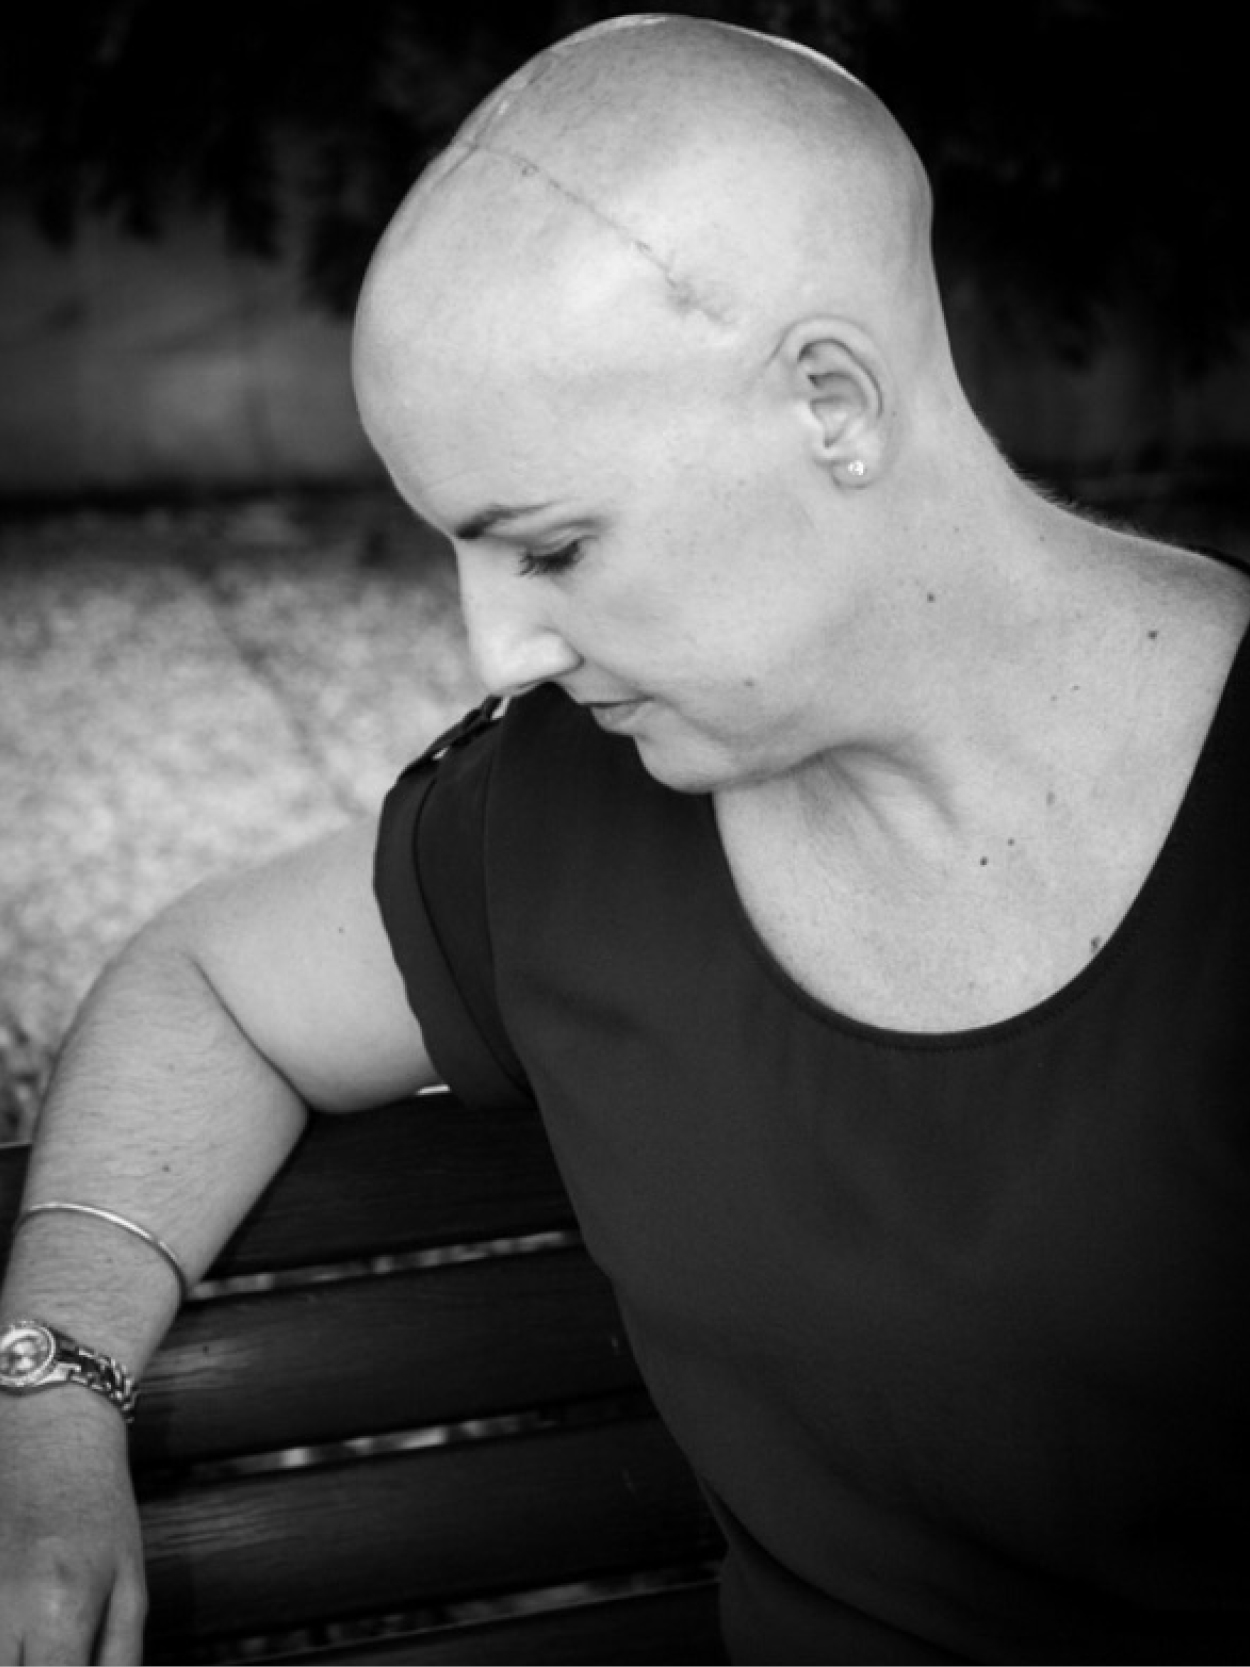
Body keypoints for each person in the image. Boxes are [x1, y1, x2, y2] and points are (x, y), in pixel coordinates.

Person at [2, 12, 1249, 1663]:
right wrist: (50, 1399)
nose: (495, 651)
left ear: (829, 402)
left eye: (553, 547)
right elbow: (204, 986)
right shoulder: (560, 813)